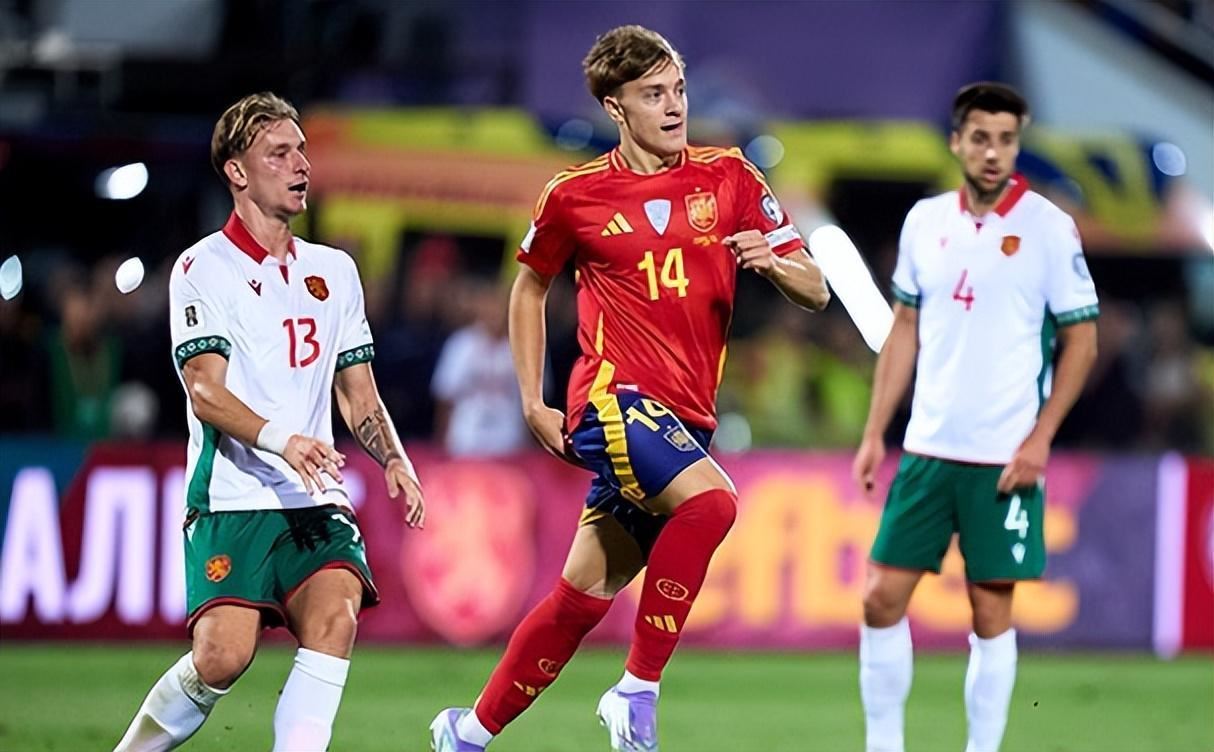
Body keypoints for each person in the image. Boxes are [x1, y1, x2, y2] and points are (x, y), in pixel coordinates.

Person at [430, 25, 830, 752]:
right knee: (712, 504)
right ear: (616, 107)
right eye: (653, 95)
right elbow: (529, 288)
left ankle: (467, 733)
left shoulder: (731, 177)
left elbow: (817, 289)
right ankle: (636, 690)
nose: (674, 106)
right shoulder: (574, 195)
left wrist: (773, 263)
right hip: (612, 401)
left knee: (581, 596)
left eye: (678, 90)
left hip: (685, 421)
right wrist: (533, 399)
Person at [114, 92, 425, 752]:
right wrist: (286, 441)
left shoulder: (335, 271)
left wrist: (394, 457)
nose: (300, 164)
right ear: (237, 171)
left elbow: (359, 396)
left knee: (337, 614)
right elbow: (206, 392)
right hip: (234, 497)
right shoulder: (203, 268)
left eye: (301, 150)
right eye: (279, 153)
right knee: (222, 657)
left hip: (315, 498)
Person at [851, 82, 1099, 752]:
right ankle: (883, 746)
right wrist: (875, 432)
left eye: (1007, 140)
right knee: (879, 597)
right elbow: (904, 328)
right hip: (928, 450)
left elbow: (1082, 338)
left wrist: (1041, 438)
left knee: (990, 611)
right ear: (957, 142)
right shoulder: (925, 221)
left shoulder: (1049, 228)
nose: (994, 153)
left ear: (1017, 146)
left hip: (1003, 457)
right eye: (981, 138)